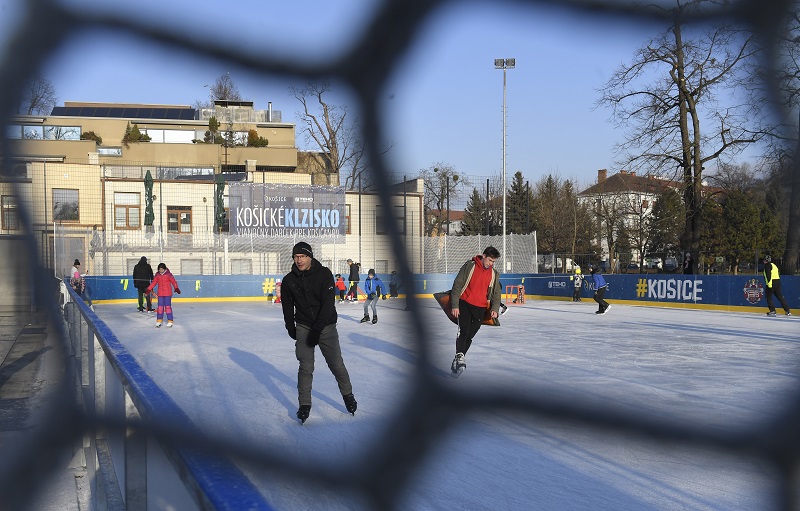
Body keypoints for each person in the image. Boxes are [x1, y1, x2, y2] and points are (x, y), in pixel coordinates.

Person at [282, 242, 357, 424]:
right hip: (303, 326)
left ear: (310, 257)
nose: (299, 260)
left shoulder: (324, 274)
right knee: (305, 367)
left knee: (336, 365)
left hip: (326, 326)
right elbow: (287, 306)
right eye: (296, 257)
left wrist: (317, 329)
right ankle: (304, 405)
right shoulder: (289, 280)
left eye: (303, 256)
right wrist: (290, 326)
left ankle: (348, 395)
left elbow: (328, 304)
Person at [449, 246, 502, 375]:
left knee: (470, 336)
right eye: (490, 260)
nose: (491, 264)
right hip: (464, 304)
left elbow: (496, 293)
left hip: (480, 308)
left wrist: (494, 309)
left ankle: (458, 359)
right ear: (483, 256)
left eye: (493, 262)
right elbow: (457, 285)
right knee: (464, 331)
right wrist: (455, 305)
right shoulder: (469, 266)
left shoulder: (493, 274)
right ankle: (460, 358)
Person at [146, 263, 181, 327]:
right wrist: (148, 289)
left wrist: (176, 288)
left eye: (161, 269)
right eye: (159, 269)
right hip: (160, 294)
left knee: (167, 307)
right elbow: (153, 283)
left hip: (167, 294)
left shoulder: (168, 274)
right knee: (160, 308)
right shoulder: (157, 275)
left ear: (164, 269)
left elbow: (174, 282)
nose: (160, 271)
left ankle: (170, 321)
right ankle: (159, 320)